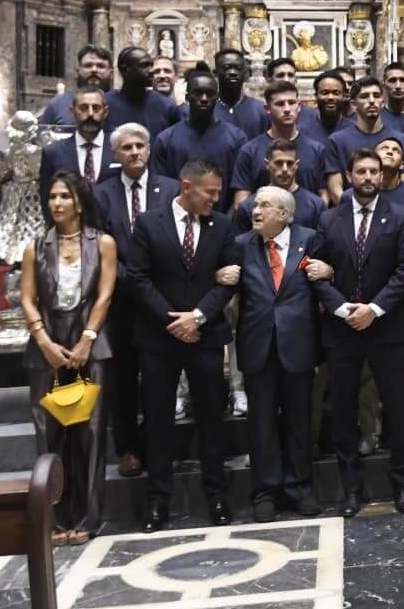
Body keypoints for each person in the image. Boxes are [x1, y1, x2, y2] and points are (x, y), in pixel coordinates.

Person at [129, 158, 240, 533]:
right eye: (210, 192)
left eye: (219, 192)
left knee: (212, 419)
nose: (215, 199)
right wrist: (174, 321)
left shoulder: (222, 225)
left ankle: (217, 496)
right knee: (159, 421)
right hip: (158, 338)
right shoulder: (149, 223)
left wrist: (198, 317)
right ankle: (157, 501)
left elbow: (229, 281)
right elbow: (138, 278)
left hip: (205, 336)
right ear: (187, 187)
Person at [312, 147, 404, 515]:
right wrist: (344, 309)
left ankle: (402, 485)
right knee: (343, 411)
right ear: (349, 176)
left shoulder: (401, 216)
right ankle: (351, 490)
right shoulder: (330, 219)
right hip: (342, 329)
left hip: (387, 326)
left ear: (382, 174)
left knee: (399, 409)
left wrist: (373, 310)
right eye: (362, 171)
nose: (369, 177)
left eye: (375, 171)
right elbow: (315, 269)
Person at [224, 186, 337, 521]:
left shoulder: (310, 239)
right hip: (257, 346)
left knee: (299, 421)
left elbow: (328, 275)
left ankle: (299, 488)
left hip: (298, 344)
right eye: (255, 205)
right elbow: (227, 286)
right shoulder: (242, 244)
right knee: (261, 423)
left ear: (285, 214)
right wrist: (219, 276)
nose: (255, 211)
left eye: (264, 206)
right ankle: (265, 492)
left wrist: (330, 272)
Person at [20, 172, 117, 544]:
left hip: (89, 340)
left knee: (89, 433)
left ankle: (88, 519)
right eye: (52, 197)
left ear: (79, 201)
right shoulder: (36, 247)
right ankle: (55, 520)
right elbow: (28, 298)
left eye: (64, 196)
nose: (56, 203)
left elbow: (105, 295)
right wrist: (43, 341)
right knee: (50, 434)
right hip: (47, 343)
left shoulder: (102, 243)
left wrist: (87, 339)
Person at [93, 124, 179, 478]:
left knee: (161, 378)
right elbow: (99, 246)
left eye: (140, 145)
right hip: (122, 301)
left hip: (162, 300)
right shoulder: (101, 194)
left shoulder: (170, 188)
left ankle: (158, 446)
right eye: (126, 147)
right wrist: (134, 281)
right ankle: (127, 447)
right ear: (116, 154)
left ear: (149, 149)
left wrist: (154, 287)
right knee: (123, 377)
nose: (134, 152)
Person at [151, 69, 248, 211]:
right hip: (178, 219)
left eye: (210, 93)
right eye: (198, 93)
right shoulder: (165, 139)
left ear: (217, 97)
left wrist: (227, 220)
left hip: (222, 219)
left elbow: (240, 188)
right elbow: (160, 189)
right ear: (187, 97)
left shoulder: (237, 138)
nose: (204, 98)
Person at [231, 81, 327, 205]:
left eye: (291, 103)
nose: (287, 109)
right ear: (267, 109)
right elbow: (241, 200)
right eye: (280, 104)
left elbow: (324, 195)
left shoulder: (317, 149)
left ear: (299, 106)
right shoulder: (250, 151)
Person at [322, 76, 404, 198]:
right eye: (364, 96)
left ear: (382, 101)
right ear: (354, 104)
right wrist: (358, 208)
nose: (371, 101)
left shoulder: (402, 140)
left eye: (376, 95)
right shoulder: (336, 141)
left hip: (394, 209)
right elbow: (335, 190)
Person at [39, 87, 112, 210]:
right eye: (83, 108)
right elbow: (46, 199)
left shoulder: (119, 149)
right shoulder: (53, 153)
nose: (90, 114)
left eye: (96, 108)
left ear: (105, 112)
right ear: (72, 112)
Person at [230, 140, 328, 232]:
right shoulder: (248, 207)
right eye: (278, 163)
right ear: (267, 164)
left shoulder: (316, 206)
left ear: (297, 165)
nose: (285, 169)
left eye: (290, 163)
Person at [105, 47, 180, 138]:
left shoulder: (166, 106)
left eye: (151, 65)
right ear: (125, 69)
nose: (151, 70)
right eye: (144, 66)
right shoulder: (105, 104)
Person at [197, 49, 270, 139]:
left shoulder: (260, 110)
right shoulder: (205, 109)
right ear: (215, 73)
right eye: (227, 68)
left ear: (245, 73)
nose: (233, 72)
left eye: (238, 68)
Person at [39, 44, 114, 128]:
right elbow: (42, 134)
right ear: (78, 71)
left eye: (101, 66)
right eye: (88, 65)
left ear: (111, 72)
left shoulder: (121, 104)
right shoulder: (57, 104)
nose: (94, 70)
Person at [297, 69, 355, 146]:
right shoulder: (301, 132)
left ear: (343, 96)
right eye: (325, 93)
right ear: (316, 96)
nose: (330, 97)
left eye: (336, 93)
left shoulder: (355, 130)